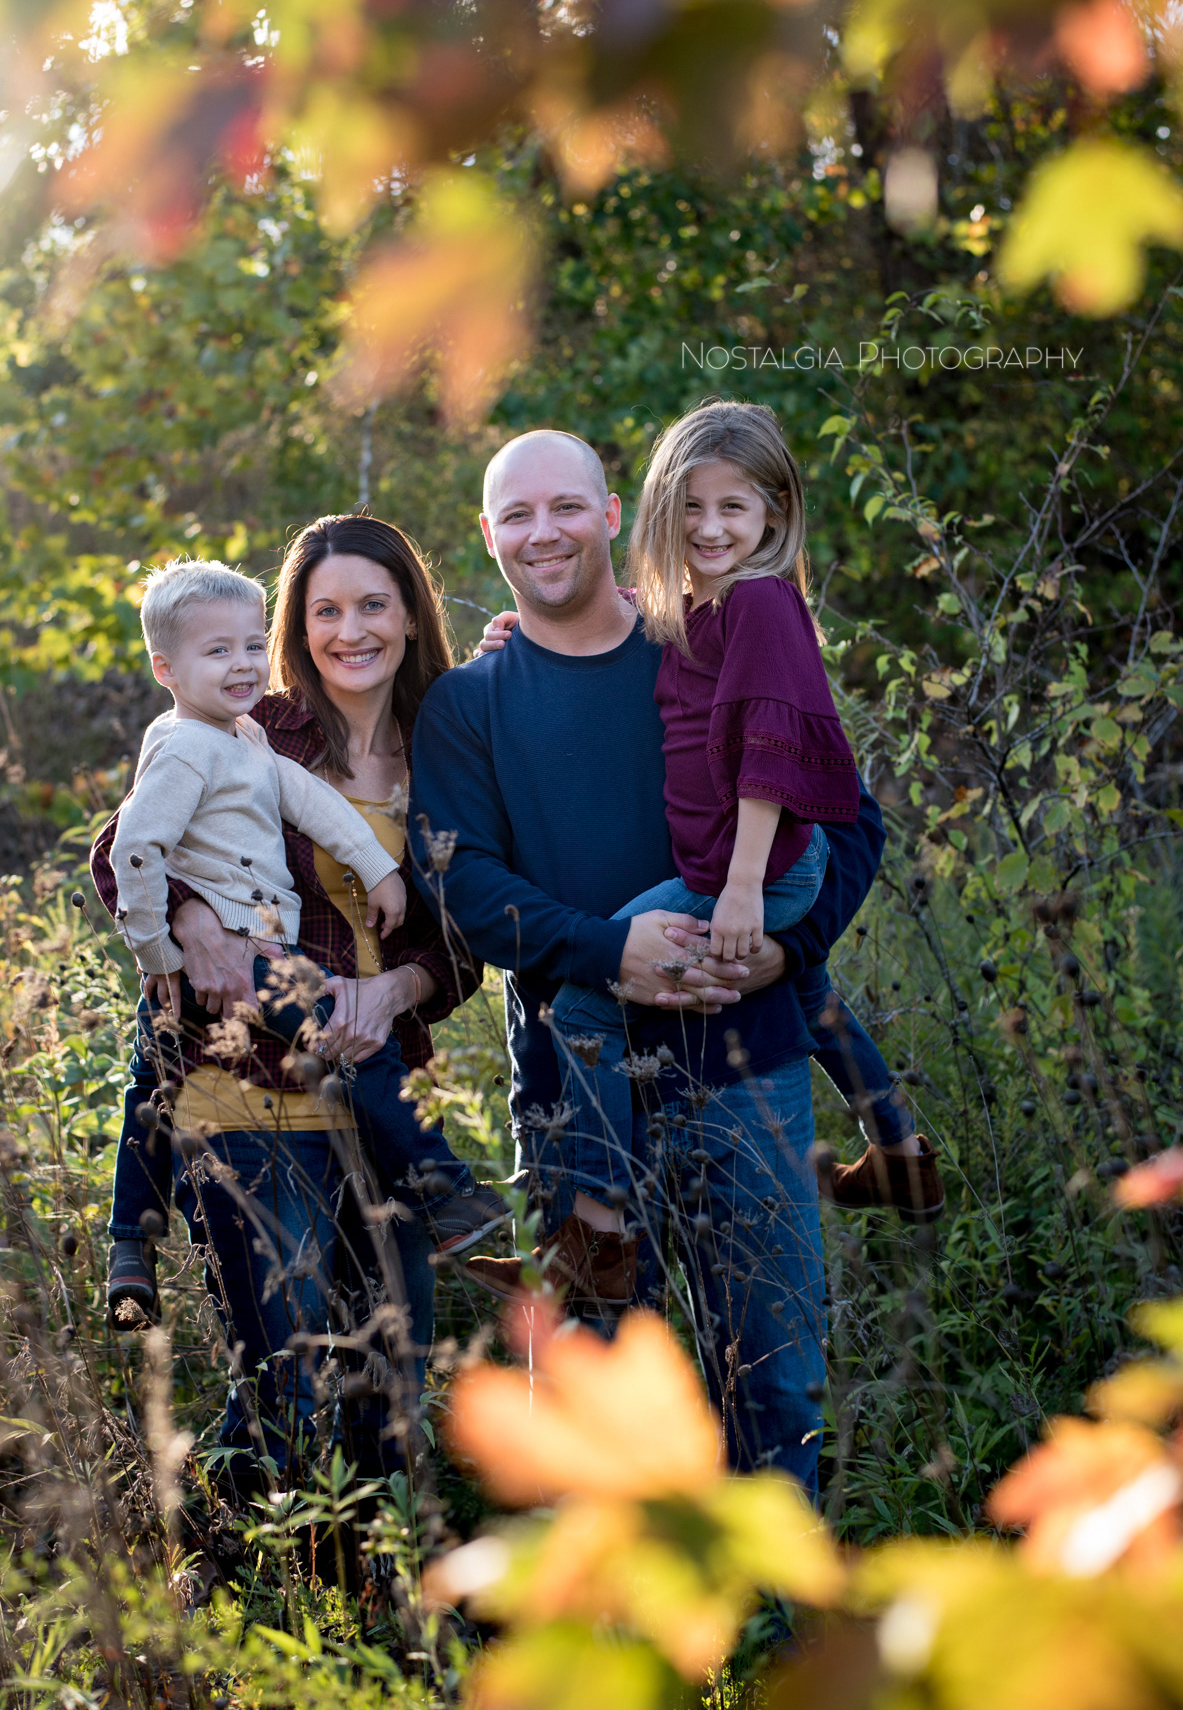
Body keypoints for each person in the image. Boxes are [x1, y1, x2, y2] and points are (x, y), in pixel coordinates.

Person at [407, 424, 930, 1496]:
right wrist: (613, 952)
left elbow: (847, 817)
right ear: (488, 534)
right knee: (592, 1413)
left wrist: (780, 948)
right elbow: (465, 893)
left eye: (566, 506)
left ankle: (776, 1650)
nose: (542, 531)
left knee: (775, 1388)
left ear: (610, 514)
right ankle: (623, 1652)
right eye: (516, 513)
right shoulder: (469, 701)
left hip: (743, 1067)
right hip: (572, 1104)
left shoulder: (709, 635)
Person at [479, 404, 941, 1245]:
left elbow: (769, 754)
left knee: (586, 997)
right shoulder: (704, 612)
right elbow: (651, 627)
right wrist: (540, 630)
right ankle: (897, 1147)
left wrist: (740, 891)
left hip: (750, 867)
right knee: (808, 987)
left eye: (732, 507)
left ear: (774, 510)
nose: (708, 526)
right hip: (741, 868)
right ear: (658, 512)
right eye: (689, 507)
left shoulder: (761, 604)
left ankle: (596, 1227)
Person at [91, 516, 489, 1491]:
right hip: (250, 1093)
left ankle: (386, 1596)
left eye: (371, 605)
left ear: (409, 614)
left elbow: (475, 931)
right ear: (296, 627)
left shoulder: (453, 745)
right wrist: (188, 925)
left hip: (383, 1087)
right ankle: (225, 1556)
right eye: (323, 610)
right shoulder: (252, 724)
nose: (348, 629)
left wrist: (397, 984)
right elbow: (121, 847)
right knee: (285, 1383)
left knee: (387, 1380)